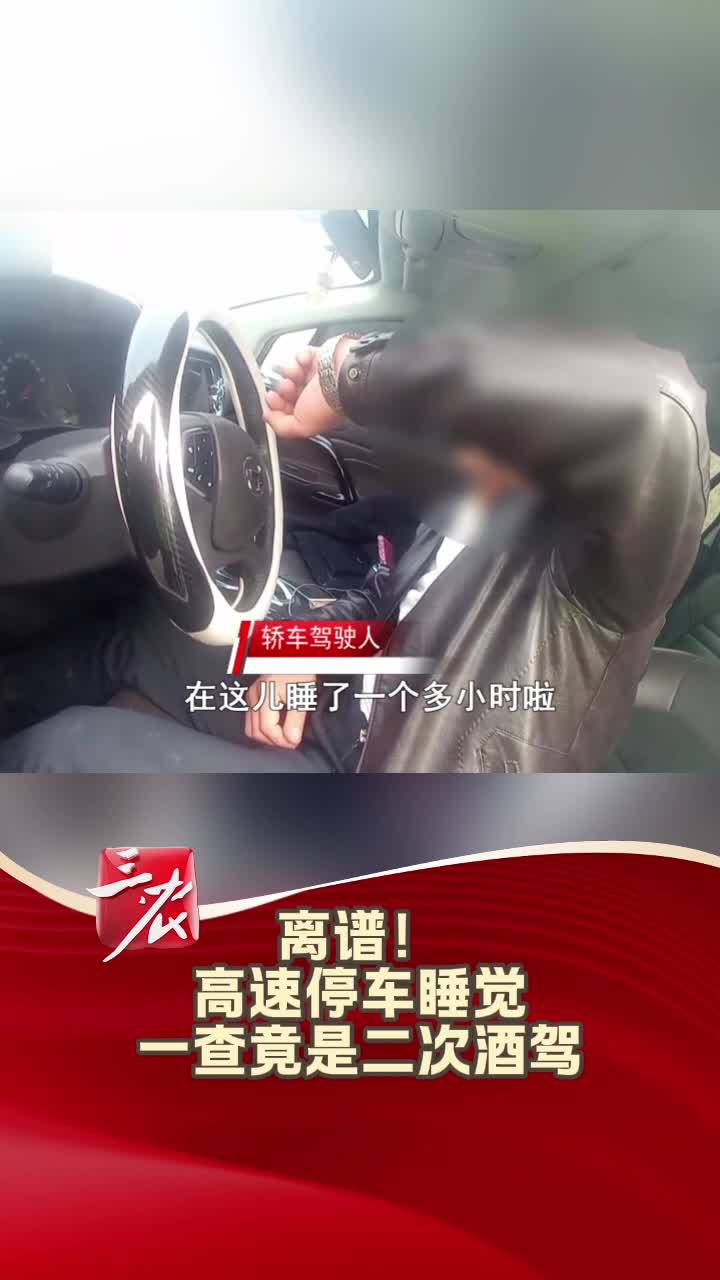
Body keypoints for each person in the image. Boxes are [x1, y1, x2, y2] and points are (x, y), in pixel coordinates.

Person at [0, 325, 708, 772]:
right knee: (136, 637)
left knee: (62, 750)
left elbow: (656, 406)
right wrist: (302, 654)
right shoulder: (484, 513)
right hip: (345, 699)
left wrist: (348, 374)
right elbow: (385, 608)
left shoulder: (607, 574)